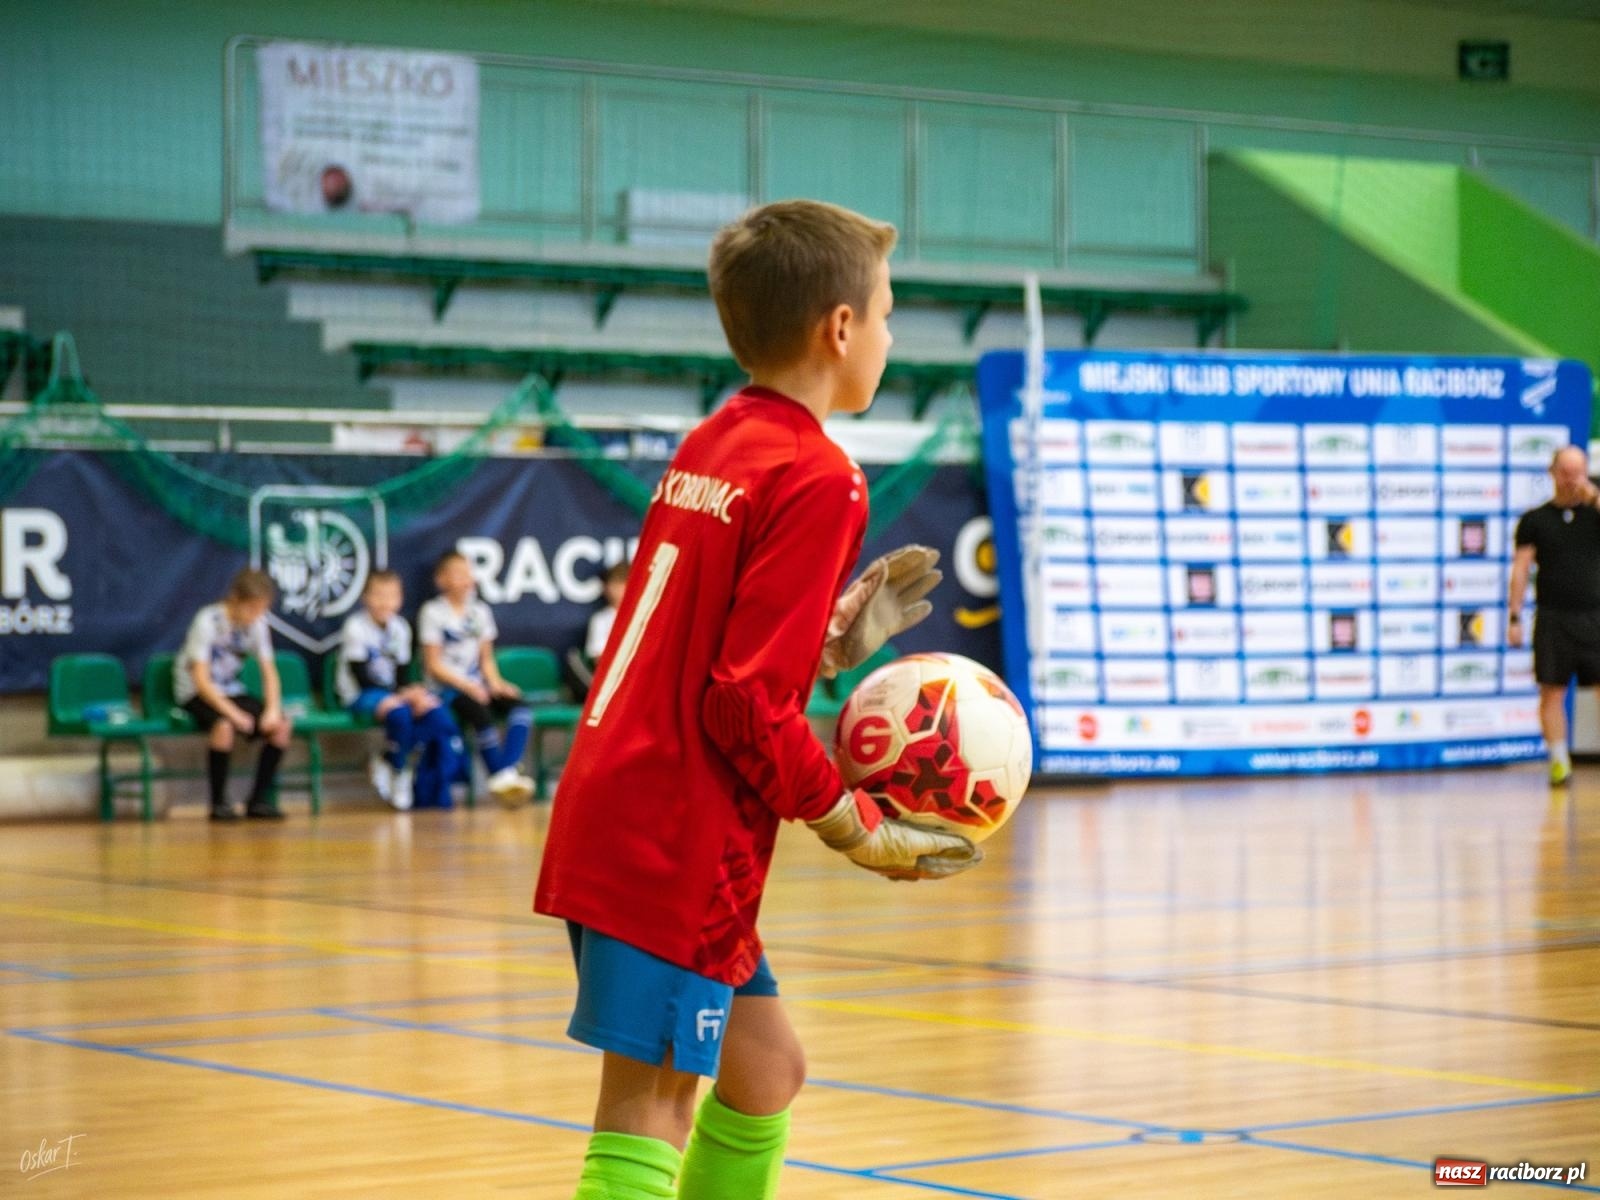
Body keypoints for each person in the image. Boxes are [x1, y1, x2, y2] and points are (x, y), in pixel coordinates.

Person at [534, 199, 977, 1200]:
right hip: (672, 825)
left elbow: (712, 655)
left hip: (626, 794)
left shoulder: (718, 438)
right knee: (651, 1102)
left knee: (765, 1071)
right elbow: (742, 703)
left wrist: (821, 648)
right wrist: (853, 823)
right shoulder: (821, 474)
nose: (891, 335)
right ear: (840, 327)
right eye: (889, 313)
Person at [1508, 444, 1600, 785]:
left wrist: (1593, 496)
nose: (1572, 478)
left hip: (1594, 616)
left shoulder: (1594, 512)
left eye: (1579, 471)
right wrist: (1514, 616)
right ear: (1552, 472)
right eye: (1566, 471)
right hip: (1553, 618)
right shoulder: (1535, 520)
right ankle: (1559, 762)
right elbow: (1520, 569)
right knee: (1552, 692)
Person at [173, 568, 292, 821]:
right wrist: (234, 714)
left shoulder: (258, 624)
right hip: (195, 691)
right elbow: (201, 681)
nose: (255, 615)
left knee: (281, 726)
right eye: (251, 608)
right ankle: (219, 803)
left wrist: (272, 709)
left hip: (229, 688)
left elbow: (269, 672)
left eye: (261, 609)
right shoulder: (208, 621)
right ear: (234, 599)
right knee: (224, 726)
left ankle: (258, 800)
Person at [419, 550, 535, 807]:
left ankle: (505, 772)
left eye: (468, 572)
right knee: (480, 715)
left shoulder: (480, 611)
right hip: (447, 689)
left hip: (478, 685)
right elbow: (433, 664)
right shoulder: (432, 612)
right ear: (442, 580)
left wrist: (496, 683)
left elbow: (487, 659)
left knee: (520, 709)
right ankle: (503, 775)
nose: (466, 579)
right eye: (458, 574)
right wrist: (467, 686)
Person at [336, 569, 459, 811]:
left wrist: (414, 694)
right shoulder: (355, 627)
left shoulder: (400, 628)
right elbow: (362, 678)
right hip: (359, 694)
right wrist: (403, 696)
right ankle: (399, 769)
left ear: (400, 599)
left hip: (392, 693)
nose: (385, 602)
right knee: (400, 713)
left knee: (435, 711)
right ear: (365, 598)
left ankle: (389, 759)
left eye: (391, 596)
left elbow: (401, 675)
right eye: (378, 595)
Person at [566, 560, 630, 699]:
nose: (615, 590)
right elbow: (599, 658)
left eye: (621, 584)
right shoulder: (600, 619)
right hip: (610, 678)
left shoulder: (643, 617)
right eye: (612, 584)